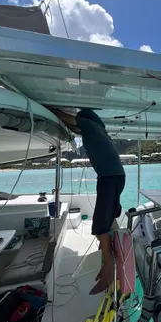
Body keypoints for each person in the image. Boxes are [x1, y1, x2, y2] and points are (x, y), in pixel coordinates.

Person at [51, 108, 125, 295]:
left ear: (84, 118)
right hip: (114, 175)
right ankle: (111, 249)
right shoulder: (97, 128)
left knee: (100, 222)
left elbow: (68, 119)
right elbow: (75, 128)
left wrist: (50, 110)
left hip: (109, 176)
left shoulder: (88, 124)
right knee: (108, 214)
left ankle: (109, 267)